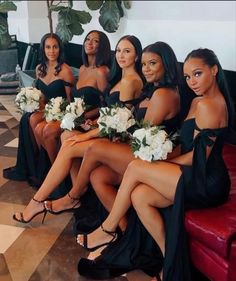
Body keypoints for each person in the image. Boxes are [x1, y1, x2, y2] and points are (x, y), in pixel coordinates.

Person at [77, 48, 235, 281]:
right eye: (188, 76)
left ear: (214, 70)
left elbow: (196, 158)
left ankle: (108, 229)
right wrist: (160, 157)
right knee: (140, 196)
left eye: (198, 74)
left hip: (206, 181)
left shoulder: (210, 105)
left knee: (136, 167)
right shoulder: (200, 100)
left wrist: (161, 161)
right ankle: (169, 261)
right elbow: (187, 145)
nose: (192, 82)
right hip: (195, 172)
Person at [12, 35, 144, 223]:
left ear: (137, 56)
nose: (121, 55)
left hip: (116, 139)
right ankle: (73, 192)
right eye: (119, 50)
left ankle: (48, 200)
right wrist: (90, 123)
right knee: (67, 136)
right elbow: (113, 116)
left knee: (70, 141)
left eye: (127, 51)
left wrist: (87, 133)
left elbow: (119, 123)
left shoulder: (130, 81)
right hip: (103, 128)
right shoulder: (121, 77)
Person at [3, 33, 74, 187]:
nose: (52, 51)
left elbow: (70, 101)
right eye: (48, 47)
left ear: (59, 49)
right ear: (43, 49)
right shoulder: (39, 69)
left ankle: (54, 167)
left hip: (60, 111)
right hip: (45, 108)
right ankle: (40, 165)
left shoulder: (65, 71)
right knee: (30, 118)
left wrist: (59, 114)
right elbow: (41, 97)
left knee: (36, 122)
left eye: (55, 47)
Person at [33, 30, 111, 164]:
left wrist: (81, 117)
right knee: (38, 127)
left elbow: (106, 106)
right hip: (75, 115)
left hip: (88, 121)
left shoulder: (101, 71)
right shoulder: (82, 68)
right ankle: (53, 169)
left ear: (102, 46)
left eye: (95, 41)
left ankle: (58, 172)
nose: (90, 43)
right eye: (87, 39)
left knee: (48, 130)